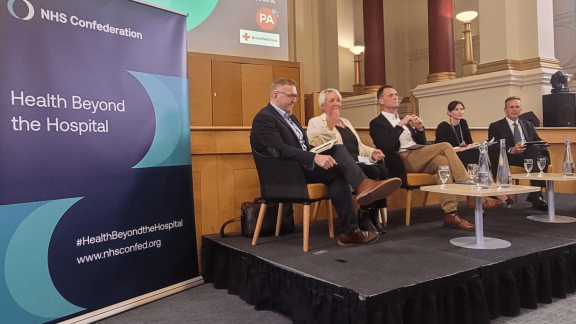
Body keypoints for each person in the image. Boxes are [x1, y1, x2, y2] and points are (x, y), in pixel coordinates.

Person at [250, 78, 401, 246]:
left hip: (302, 166)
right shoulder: (264, 118)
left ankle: (349, 231)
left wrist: (317, 154)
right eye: (290, 96)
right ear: (275, 95)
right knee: (338, 152)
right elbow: (279, 149)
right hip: (286, 174)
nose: (294, 100)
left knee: (338, 170)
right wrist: (314, 157)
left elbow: (305, 146)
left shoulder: (291, 118)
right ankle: (362, 189)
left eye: (296, 96)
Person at [369, 85, 474, 231]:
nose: (395, 97)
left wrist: (419, 129)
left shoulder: (402, 119)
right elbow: (385, 146)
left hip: (417, 154)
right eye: (390, 95)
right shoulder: (376, 123)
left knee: (442, 162)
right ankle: (468, 187)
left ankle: (450, 213)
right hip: (400, 159)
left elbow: (421, 144)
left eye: (396, 94)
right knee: (445, 146)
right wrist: (400, 125)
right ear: (381, 100)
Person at [307, 88, 389, 234]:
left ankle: (371, 215)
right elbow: (316, 145)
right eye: (331, 100)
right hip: (339, 163)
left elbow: (359, 145)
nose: (336, 103)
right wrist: (330, 126)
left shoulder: (346, 122)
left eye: (338, 100)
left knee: (382, 169)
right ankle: (364, 217)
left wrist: (372, 152)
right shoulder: (315, 122)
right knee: (372, 170)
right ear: (323, 106)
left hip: (357, 160)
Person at [435, 101, 507, 209]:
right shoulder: (443, 126)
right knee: (472, 158)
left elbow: (469, 141)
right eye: (456, 109)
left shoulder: (463, 123)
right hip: (450, 156)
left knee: (477, 152)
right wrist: (463, 148)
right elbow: (443, 148)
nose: (460, 111)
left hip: (463, 153)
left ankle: (487, 192)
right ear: (449, 112)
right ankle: (492, 194)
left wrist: (473, 145)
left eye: (461, 109)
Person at [487, 96, 550, 211]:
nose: (514, 110)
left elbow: (536, 139)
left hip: (526, 157)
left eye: (517, 107)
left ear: (520, 109)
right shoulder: (496, 126)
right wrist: (512, 149)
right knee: (536, 155)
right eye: (511, 107)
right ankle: (536, 193)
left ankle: (535, 193)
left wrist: (544, 143)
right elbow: (493, 146)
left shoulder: (527, 124)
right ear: (505, 110)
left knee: (538, 151)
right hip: (508, 157)